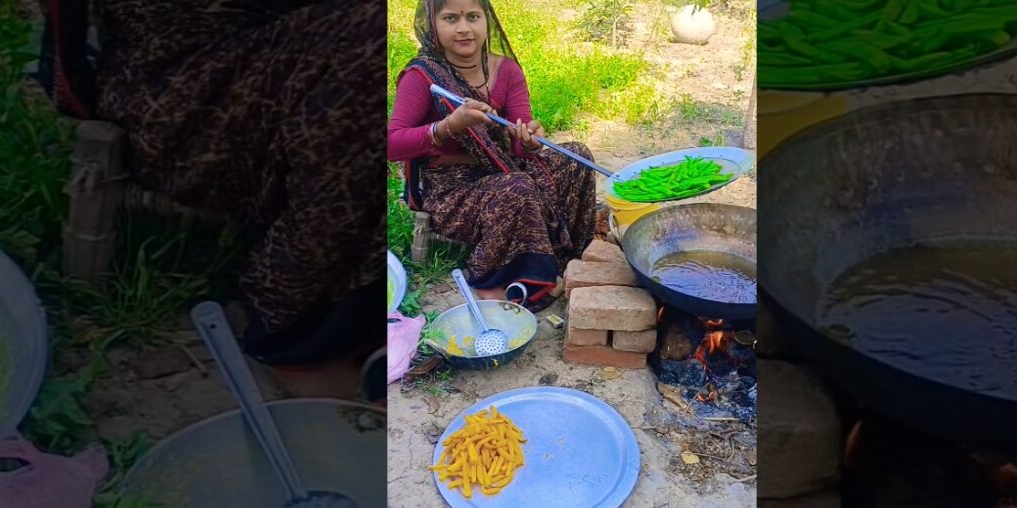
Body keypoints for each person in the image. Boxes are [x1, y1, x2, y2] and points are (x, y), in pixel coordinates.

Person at [38, 0, 387, 399]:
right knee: (373, 36)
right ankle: (301, 329)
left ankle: (369, 310)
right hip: (185, 92)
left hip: (287, 49)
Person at [388, 0, 598, 312]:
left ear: (487, 22)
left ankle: (565, 254)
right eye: (451, 18)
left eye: (473, 16)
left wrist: (530, 142)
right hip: (448, 187)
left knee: (577, 155)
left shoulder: (507, 71)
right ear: (433, 24)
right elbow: (392, 144)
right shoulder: (423, 77)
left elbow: (518, 142)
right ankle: (506, 278)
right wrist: (447, 127)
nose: (464, 28)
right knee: (517, 188)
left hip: (503, 167)